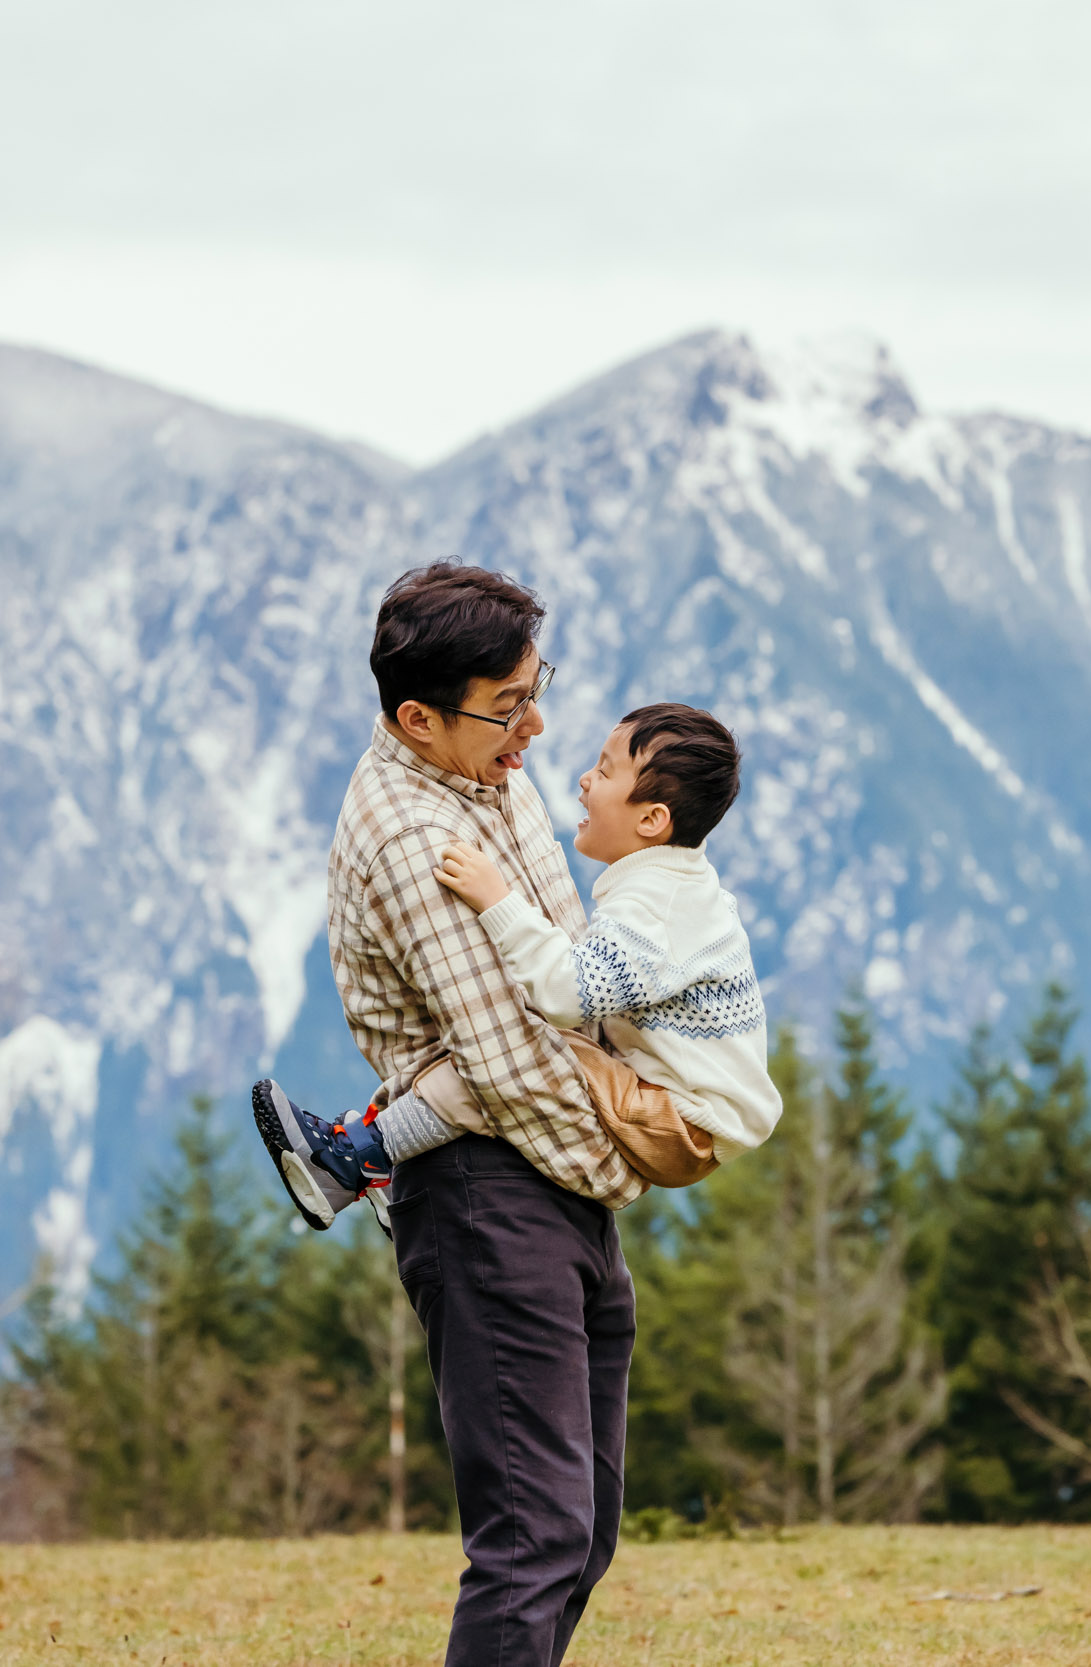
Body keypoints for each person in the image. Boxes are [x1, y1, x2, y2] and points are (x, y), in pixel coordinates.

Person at [252, 563, 640, 1667]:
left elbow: (563, 962)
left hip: (547, 1185)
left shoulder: (486, 776)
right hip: (489, 1192)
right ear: (417, 716)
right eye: (507, 705)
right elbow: (512, 1058)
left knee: (583, 1530)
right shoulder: (415, 837)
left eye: (536, 690)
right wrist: (626, 1148)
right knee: (532, 1538)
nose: (535, 724)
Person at [260, 701, 779, 1223]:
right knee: (516, 1056)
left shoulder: (658, 910)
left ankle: (357, 1160)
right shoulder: (678, 882)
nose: (584, 780)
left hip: (680, 1124)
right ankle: (387, 1154)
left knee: (511, 1053)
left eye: (604, 770)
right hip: (693, 1119)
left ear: (651, 819)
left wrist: (497, 900)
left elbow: (564, 993)